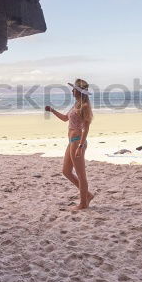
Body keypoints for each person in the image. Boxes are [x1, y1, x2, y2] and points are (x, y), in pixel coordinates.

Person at [45, 78, 94, 210]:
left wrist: (81, 146)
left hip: (78, 142)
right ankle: (87, 195)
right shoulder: (76, 104)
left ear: (78, 92)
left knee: (81, 175)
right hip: (72, 142)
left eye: (74, 89)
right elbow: (65, 119)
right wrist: (52, 110)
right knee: (66, 171)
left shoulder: (84, 106)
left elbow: (86, 129)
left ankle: (83, 203)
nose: (72, 91)